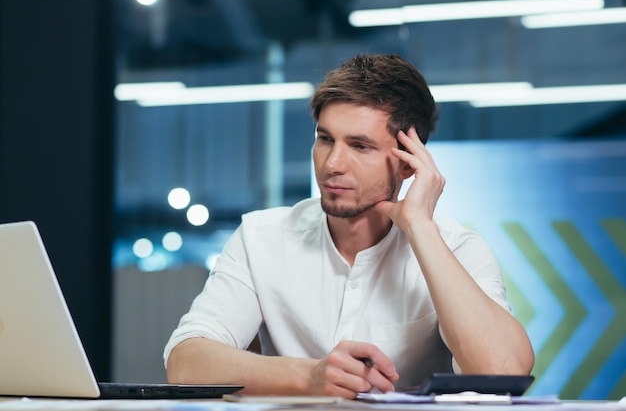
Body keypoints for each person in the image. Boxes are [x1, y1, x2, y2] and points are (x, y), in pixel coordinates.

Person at [164, 53, 534, 399]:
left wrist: (420, 226)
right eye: (325, 139)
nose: (332, 164)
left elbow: (502, 372)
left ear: (409, 163)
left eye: (360, 146)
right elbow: (186, 361)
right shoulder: (261, 238)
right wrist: (311, 377)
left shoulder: (456, 247)